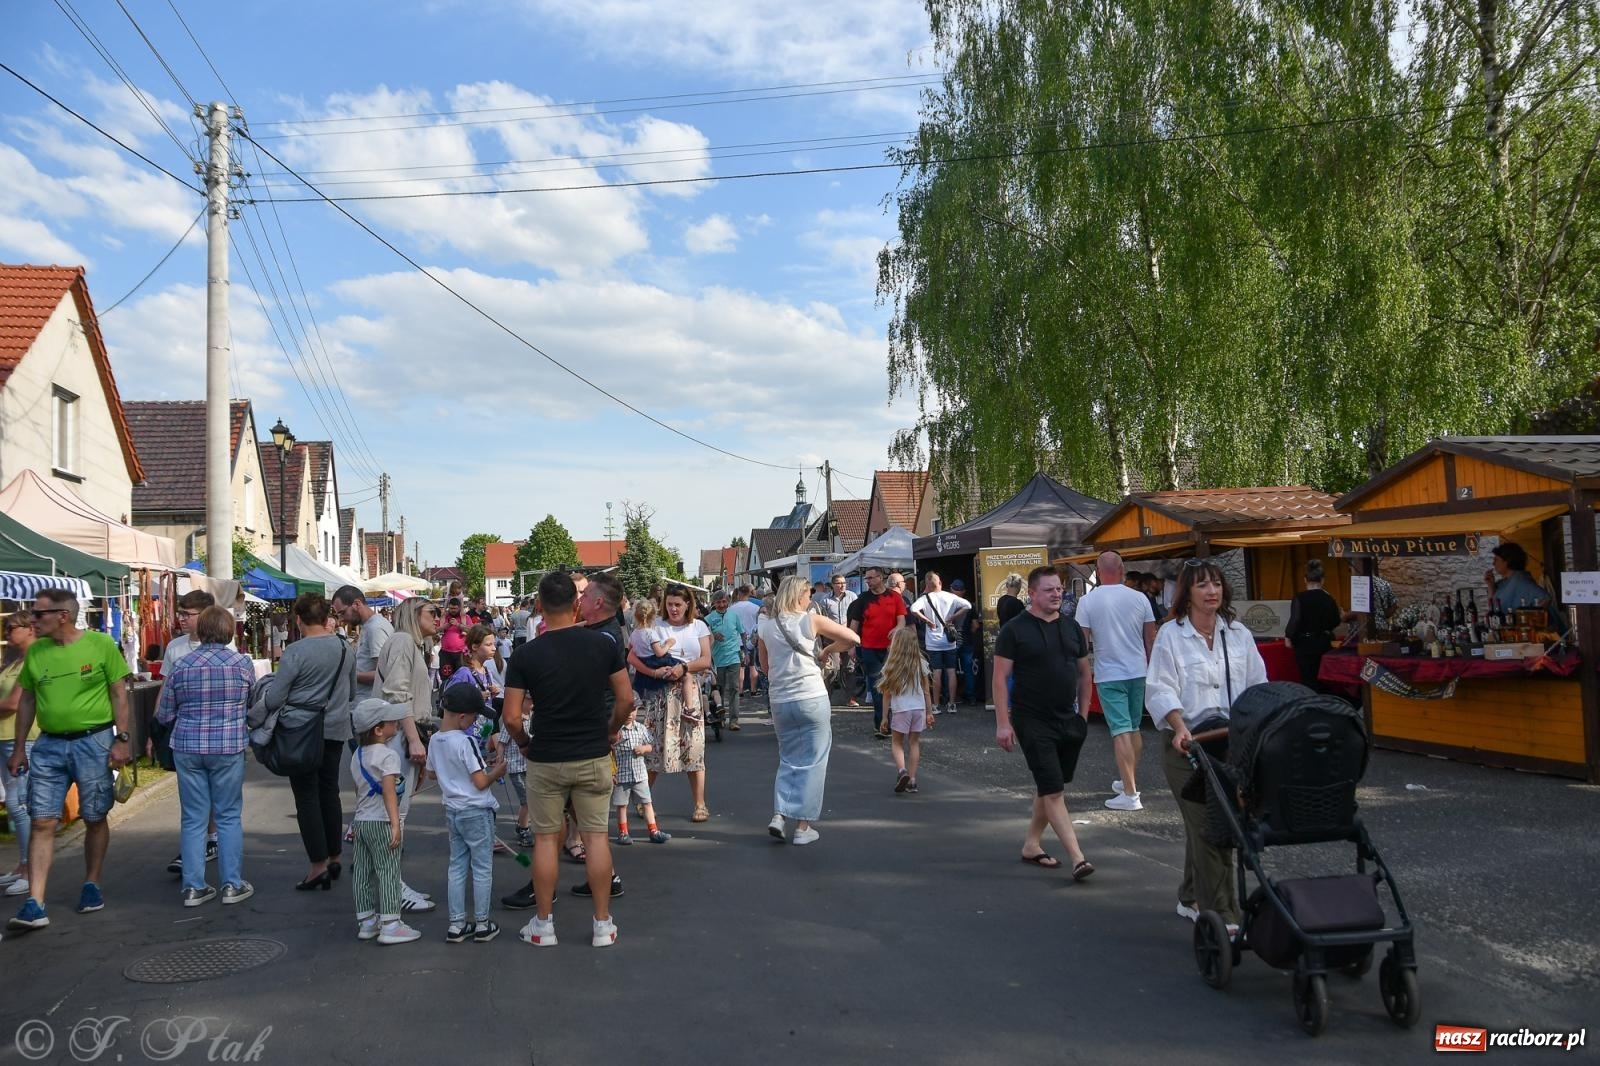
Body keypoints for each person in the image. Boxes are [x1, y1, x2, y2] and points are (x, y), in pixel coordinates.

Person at [502, 571, 633, 948]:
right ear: (576, 604)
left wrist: (524, 742)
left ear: (539, 606)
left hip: (547, 756)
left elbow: (511, 717)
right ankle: (603, 924)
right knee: (596, 838)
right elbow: (625, 700)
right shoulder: (603, 645)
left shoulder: (526, 654)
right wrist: (610, 730)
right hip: (592, 752)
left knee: (545, 840)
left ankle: (543, 925)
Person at [1146, 559, 1268, 929]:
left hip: (1229, 745)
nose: (1211, 591)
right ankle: (1226, 915)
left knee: (1212, 822)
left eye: (1215, 583)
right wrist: (1180, 726)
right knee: (1211, 827)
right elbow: (1160, 688)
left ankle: (1190, 894)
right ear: (1187, 593)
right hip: (1187, 745)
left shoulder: (1238, 634)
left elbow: (1257, 687)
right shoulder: (1171, 635)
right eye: (1202, 585)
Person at [5, 588, 132, 932]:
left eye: (39, 614)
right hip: (48, 746)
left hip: (94, 742)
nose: (33, 620)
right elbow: (28, 700)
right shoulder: (38, 653)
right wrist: (19, 748)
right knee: (43, 820)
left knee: (93, 816)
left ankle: (91, 883)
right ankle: (35, 902)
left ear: (62, 615)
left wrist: (121, 739)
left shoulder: (100, 645)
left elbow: (119, 692)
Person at [992, 567, 1095, 883]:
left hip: (1068, 718)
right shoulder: (1015, 630)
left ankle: (1031, 844)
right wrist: (1003, 724)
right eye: (1049, 589)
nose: (1056, 594)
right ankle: (1078, 858)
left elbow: (1085, 673)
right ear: (1032, 594)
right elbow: (1000, 677)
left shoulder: (1071, 627)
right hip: (1031, 719)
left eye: (1059, 588)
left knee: (1050, 785)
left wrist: (1084, 717)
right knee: (1053, 790)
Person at [153, 606, 255, 907]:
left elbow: (165, 712)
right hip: (228, 746)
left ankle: (194, 887)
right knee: (227, 816)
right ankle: (232, 884)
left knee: (194, 818)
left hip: (188, 745)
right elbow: (251, 704)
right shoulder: (242, 664)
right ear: (228, 631)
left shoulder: (183, 665)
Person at [265, 593, 356, 893]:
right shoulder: (345, 647)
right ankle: (335, 856)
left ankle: (317, 866)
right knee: (329, 791)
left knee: (306, 795)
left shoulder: (296, 651)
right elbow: (353, 691)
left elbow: (276, 696)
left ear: (300, 619)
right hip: (335, 728)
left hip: (301, 730)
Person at [758, 575, 859, 845]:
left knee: (788, 758)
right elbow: (852, 637)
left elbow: (765, 668)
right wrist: (827, 649)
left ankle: (779, 814)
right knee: (814, 762)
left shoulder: (767, 627)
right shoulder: (810, 619)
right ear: (799, 595)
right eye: (808, 593)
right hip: (811, 695)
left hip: (780, 700)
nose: (811, 598)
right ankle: (803, 827)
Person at [1073, 552, 1156, 812]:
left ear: (1098, 571)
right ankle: (1126, 779)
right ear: (1122, 569)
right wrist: (1153, 670)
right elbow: (1151, 639)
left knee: (1120, 730)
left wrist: (1081, 675)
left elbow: (1080, 643)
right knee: (1133, 728)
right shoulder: (1140, 597)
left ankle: (1131, 794)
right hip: (1138, 670)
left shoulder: (1087, 601)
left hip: (1109, 673)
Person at [373, 597, 440, 913]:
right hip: (397, 739)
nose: (437, 618)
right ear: (414, 615)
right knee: (394, 815)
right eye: (432, 612)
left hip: (403, 736)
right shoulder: (401, 642)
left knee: (396, 813)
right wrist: (414, 741)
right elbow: (398, 696)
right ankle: (391, 887)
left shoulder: (411, 645)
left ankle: (391, 883)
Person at [628, 584, 713, 823]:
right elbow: (632, 656)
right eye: (670, 604)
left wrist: (684, 667)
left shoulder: (699, 626)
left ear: (688, 605)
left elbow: (705, 659)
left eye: (678, 604)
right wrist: (653, 674)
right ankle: (643, 799)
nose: (673, 609)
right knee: (654, 748)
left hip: (688, 691)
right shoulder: (656, 626)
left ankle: (700, 804)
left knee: (694, 748)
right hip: (660, 694)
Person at [428, 684, 506, 943]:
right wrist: (498, 770)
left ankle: (456, 924)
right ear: (462, 716)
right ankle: (482, 923)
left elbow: (431, 773)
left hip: (453, 810)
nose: (475, 721)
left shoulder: (435, 740)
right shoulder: (466, 741)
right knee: (482, 867)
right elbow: (481, 782)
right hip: (476, 810)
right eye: (474, 716)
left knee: (457, 866)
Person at [159, 590, 223, 877]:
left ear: (206, 615)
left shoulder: (226, 649)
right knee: (193, 796)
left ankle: (208, 842)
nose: (182, 619)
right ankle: (200, 846)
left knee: (211, 795)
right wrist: (155, 727)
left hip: (218, 734)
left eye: (188, 614)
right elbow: (165, 687)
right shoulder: (175, 648)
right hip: (184, 730)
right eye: (181, 613)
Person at [348, 698, 419, 945]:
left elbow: (360, 791)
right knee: (388, 871)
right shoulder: (389, 756)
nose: (397, 723)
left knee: (362, 873)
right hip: (382, 821)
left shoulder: (357, 755)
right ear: (378, 729)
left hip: (362, 821)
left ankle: (367, 921)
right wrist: (396, 823)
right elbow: (389, 793)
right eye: (392, 721)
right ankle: (391, 923)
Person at [0, 613, 40, 900]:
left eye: (12, 627)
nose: (7, 632)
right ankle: (22, 864)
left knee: (19, 804)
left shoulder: (31, 660)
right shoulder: (13, 660)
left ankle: (30, 869)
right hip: (5, 737)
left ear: (29, 629)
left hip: (20, 739)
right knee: (15, 804)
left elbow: (14, 703)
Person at [846, 566, 907, 739]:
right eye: (867, 579)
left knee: (893, 686)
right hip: (870, 648)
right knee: (877, 686)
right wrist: (851, 645)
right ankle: (881, 724)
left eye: (871, 578)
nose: (868, 581)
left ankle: (895, 722)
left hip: (891, 648)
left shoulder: (894, 597)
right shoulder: (863, 599)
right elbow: (854, 625)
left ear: (880, 578)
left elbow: (902, 621)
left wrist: (896, 629)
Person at [879, 625, 934, 794]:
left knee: (896, 742)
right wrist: (930, 712)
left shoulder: (892, 665)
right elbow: (926, 690)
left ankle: (902, 770)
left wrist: (884, 717)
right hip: (918, 708)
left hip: (901, 709)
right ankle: (912, 779)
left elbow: (887, 694)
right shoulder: (921, 663)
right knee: (914, 742)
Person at [1286, 560, 1353, 692]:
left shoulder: (1299, 598)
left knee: (1308, 680)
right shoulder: (1328, 598)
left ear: (1305, 580)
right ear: (1322, 580)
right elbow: (1335, 621)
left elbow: (1295, 620)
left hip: (1304, 644)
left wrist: (1289, 637)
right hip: (1324, 643)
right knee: (1324, 680)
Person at [912, 572, 972, 716]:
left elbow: (913, 609)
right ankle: (952, 704)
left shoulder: (925, 598)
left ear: (927, 585)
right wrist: (953, 617)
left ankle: (936, 705)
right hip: (949, 641)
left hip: (933, 642)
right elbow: (968, 605)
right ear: (940, 583)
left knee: (936, 672)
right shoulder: (950, 596)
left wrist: (927, 620)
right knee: (951, 671)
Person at [612, 706, 668, 844]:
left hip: (640, 774)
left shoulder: (641, 728)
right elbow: (609, 750)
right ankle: (623, 833)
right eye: (626, 710)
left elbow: (651, 745)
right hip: (621, 775)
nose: (629, 714)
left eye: (633, 710)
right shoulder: (615, 729)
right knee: (621, 805)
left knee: (647, 803)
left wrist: (644, 749)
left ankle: (654, 831)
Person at [331, 585, 393, 705]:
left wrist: (346, 674)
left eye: (343, 612)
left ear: (357, 604)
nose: (342, 619)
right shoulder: (370, 626)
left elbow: (382, 673)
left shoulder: (375, 628)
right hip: (366, 704)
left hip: (369, 706)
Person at [1485, 541, 1559, 626]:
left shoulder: (1520, 580)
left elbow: (1545, 598)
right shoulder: (1504, 582)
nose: (1493, 563)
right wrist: (1491, 586)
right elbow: (1493, 607)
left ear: (1507, 561)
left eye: (1496, 560)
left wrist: (1525, 620)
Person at [703, 589, 747, 730]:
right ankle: (720, 717)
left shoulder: (734, 615)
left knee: (734, 688)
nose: (722, 604)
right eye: (718, 602)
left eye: (724, 602)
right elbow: (703, 637)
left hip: (733, 656)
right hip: (718, 659)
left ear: (728, 601)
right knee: (719, 689)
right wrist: (713, 635)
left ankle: (734, 720)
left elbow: (742, 633)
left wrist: (745, 651)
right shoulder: (709, 618)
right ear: (714, 603)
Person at [812, 574, 858, 706]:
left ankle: (851, 698)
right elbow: (823, 620)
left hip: (848, 637)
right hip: (832, 639)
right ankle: (827, 697)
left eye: (844, 582)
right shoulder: (825, 600)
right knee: (833, 669)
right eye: (838, 583)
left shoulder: (852, 597)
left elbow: (856, 617)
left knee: (850, 668)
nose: (842, 585)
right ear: (832, 585)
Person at [951, 579, 981, 705]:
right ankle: (971, 697)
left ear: (951, 589)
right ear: (964, 591)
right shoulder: (969, 605)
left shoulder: (948, 603)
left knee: (950, 670)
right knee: (969, 670)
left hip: (951, 640)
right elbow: (975, 625)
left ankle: (950, 696)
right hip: (966, 640)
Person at [728, 585, 762, 695]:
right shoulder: (755, 608)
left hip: (737, 640)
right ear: (749, 593)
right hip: (752, 640)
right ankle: (753, 690)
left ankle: (740, 690)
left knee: (740, 667)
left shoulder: (731, 609)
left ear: (738, 594)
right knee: (753, 666)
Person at [438, 598, 468, 682]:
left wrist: (458, 625)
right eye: (451, 608)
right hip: (446, 653)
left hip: (461, 653)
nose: (453, 610)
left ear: (459, 608)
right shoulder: (444, 617)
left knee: (461, 676)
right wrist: (445, 627)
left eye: (455, 608)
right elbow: (435, 630)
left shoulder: (465, 617)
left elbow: (471, 630)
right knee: (446, 677)